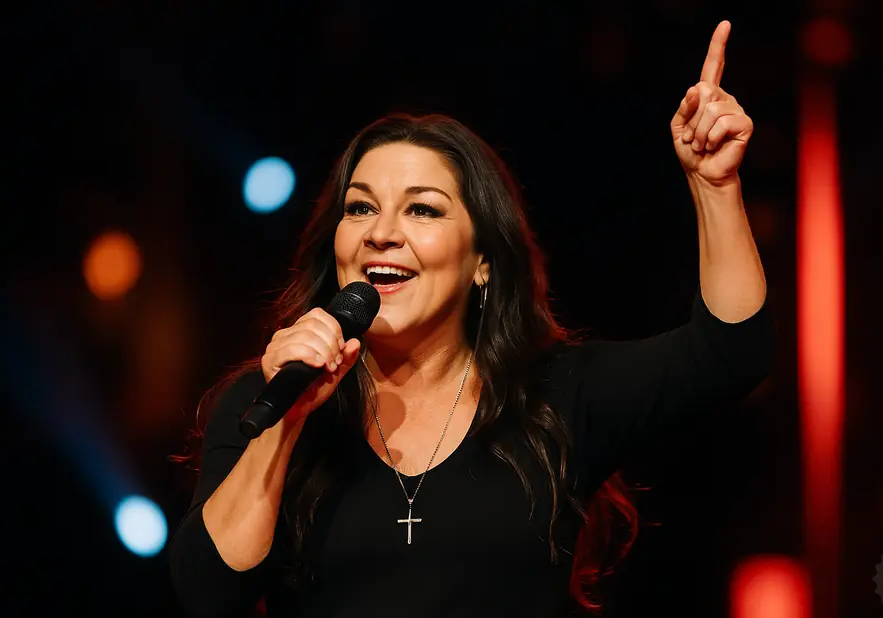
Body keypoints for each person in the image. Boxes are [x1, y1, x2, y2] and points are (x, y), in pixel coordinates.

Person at [169, 20, 773, 618]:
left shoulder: (554, 398)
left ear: (482, 261)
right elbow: (208, 596)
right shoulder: (267, 401)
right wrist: (285, 420)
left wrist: (714, 187)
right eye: (360, 209)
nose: (382, 233)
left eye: (422, 211)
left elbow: (730, 351)